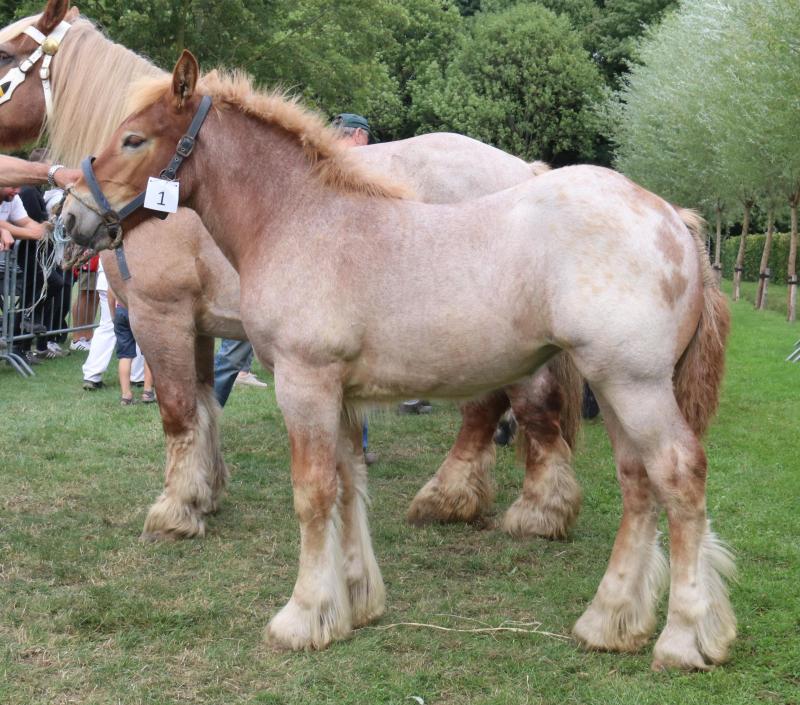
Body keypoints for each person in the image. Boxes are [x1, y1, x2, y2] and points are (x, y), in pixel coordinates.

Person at [0, 186, 46, 366]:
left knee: (51, 282)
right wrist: (34, 233)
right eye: (13, 186)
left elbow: (27, 222)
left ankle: (17, 341)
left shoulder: (13, 199)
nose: (18, 191)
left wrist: (43, 229)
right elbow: (28, 230)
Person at [113, 300, 155, 405]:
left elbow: (110, 293)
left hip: (121, 309)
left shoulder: (118, 282)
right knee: (148, 353)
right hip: (142, 310)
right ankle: (147, 392)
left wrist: (113, 313)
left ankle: (126, 395)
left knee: (125, 355)